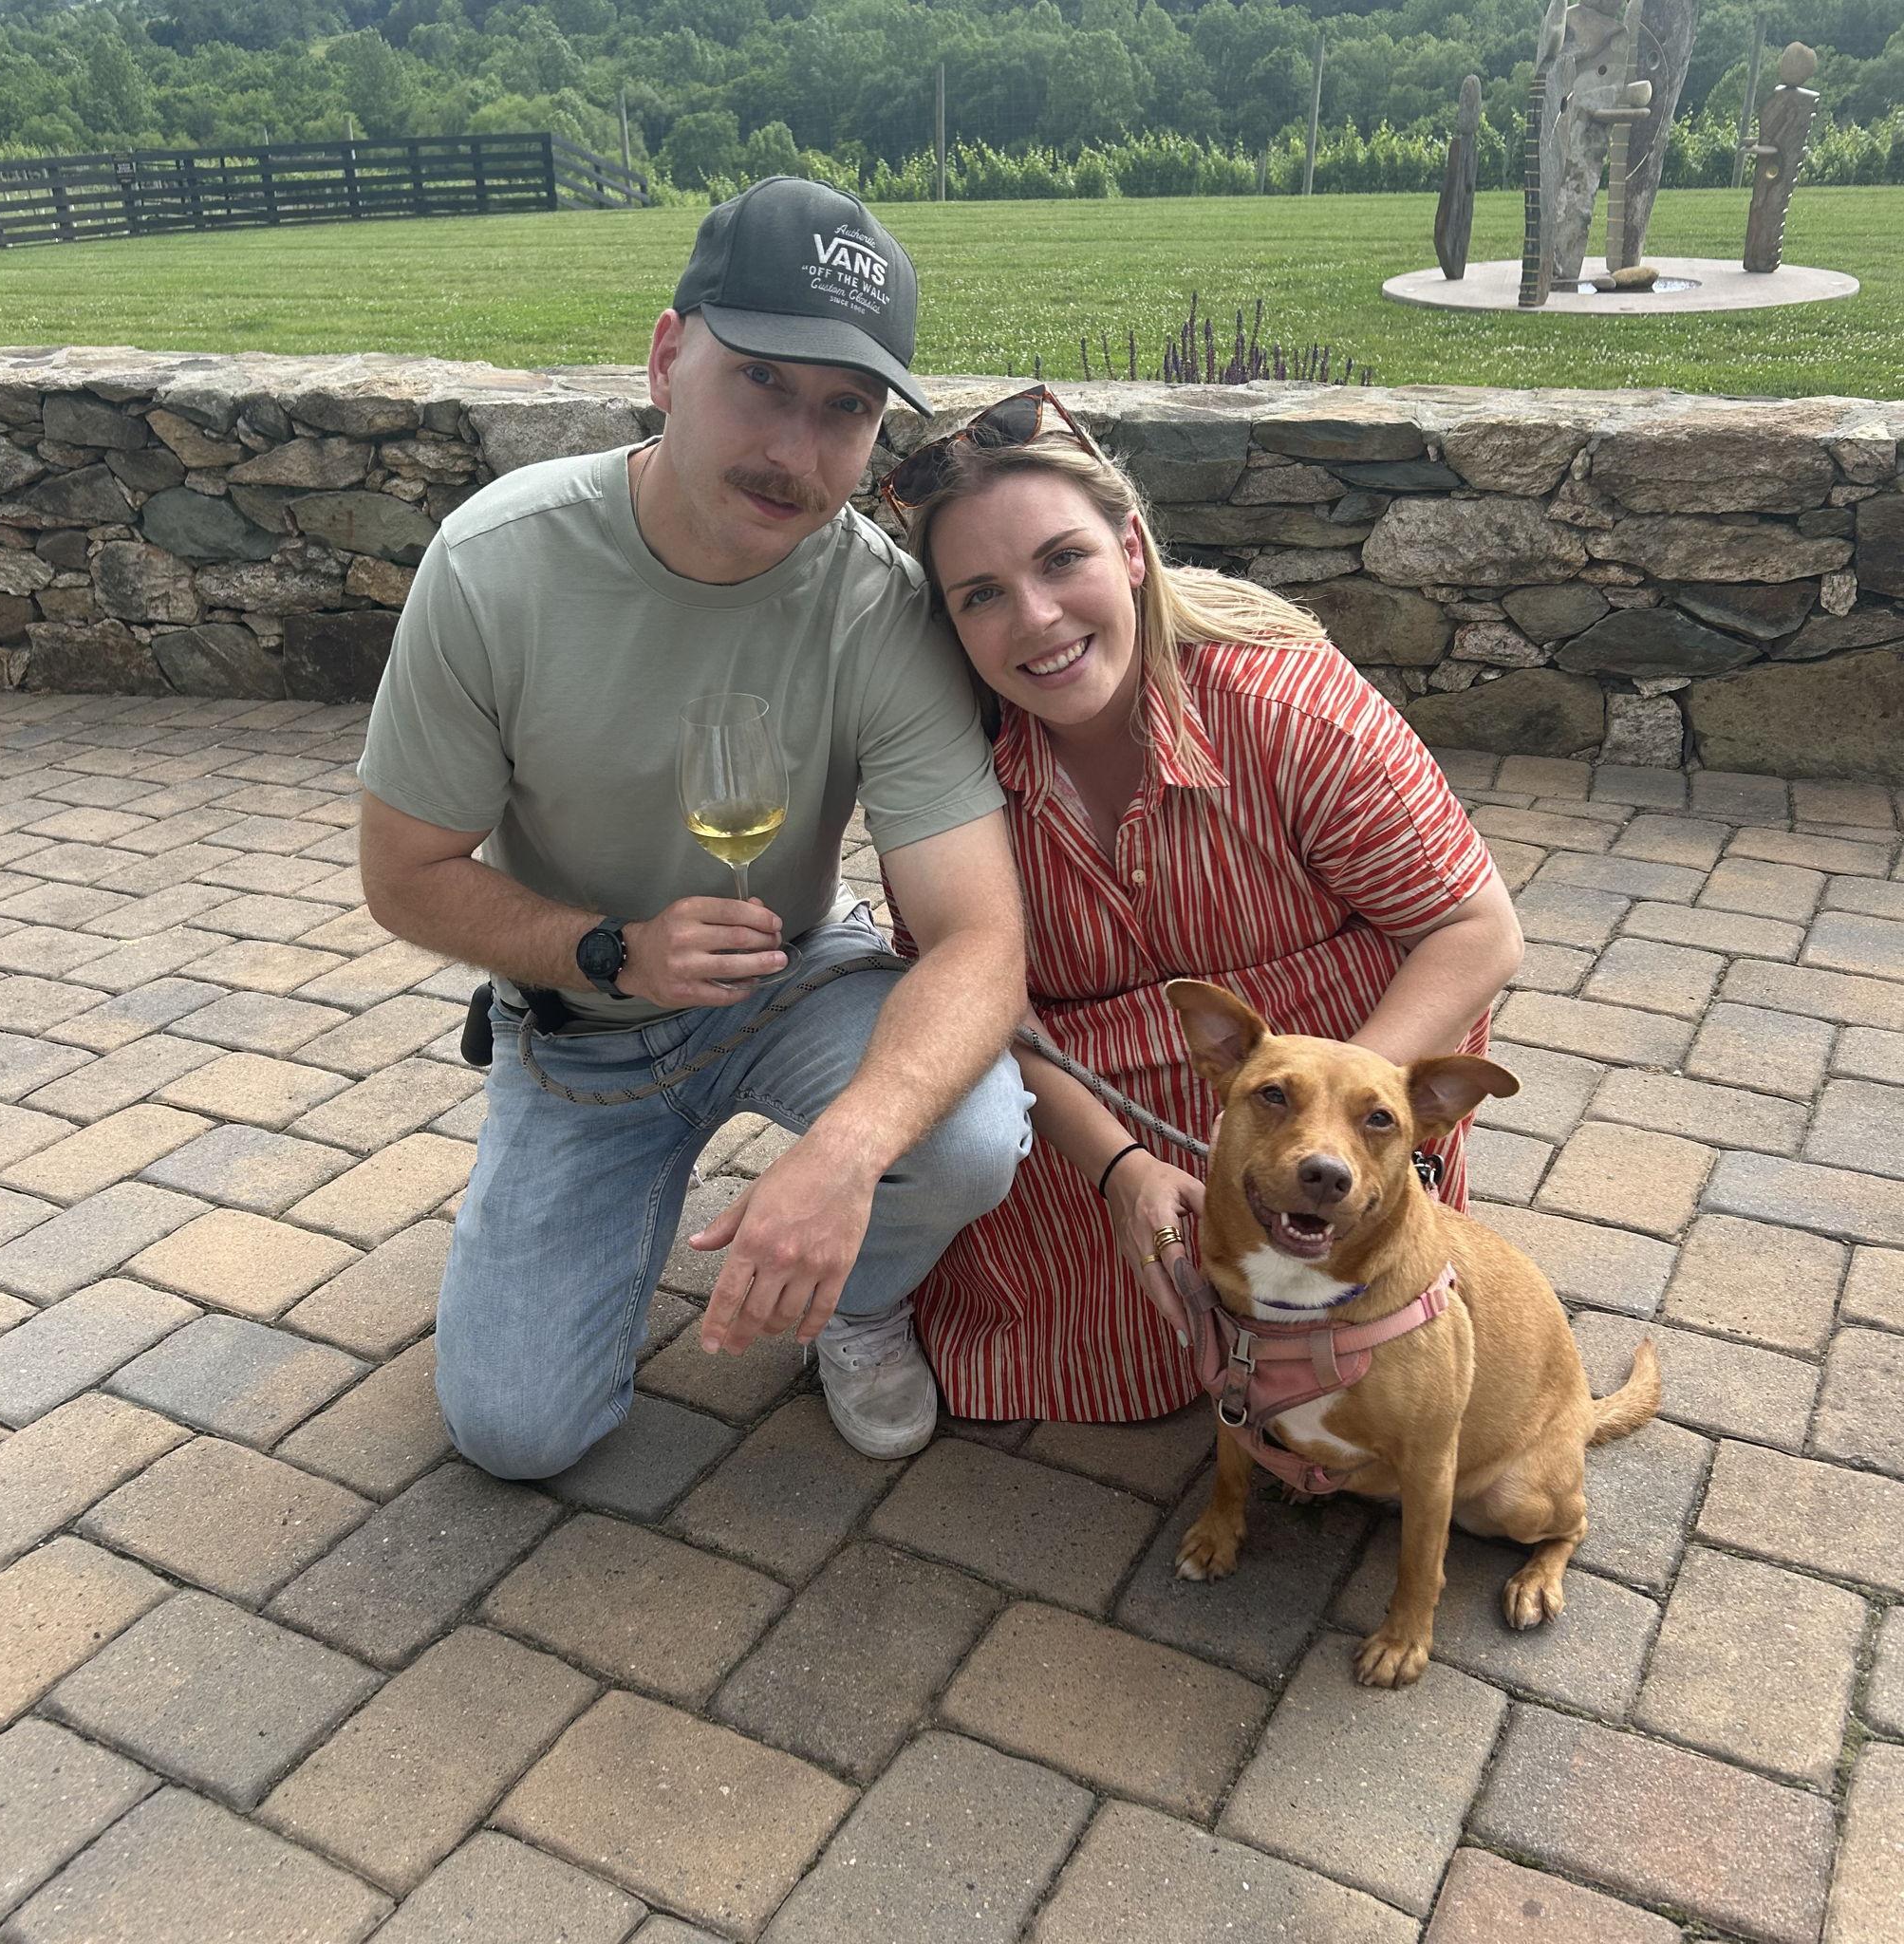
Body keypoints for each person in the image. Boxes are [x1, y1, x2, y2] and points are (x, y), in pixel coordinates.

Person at [355, 178, 1031, 1475]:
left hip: (786, 976)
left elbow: (982, 943)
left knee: (965, 1133)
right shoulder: (498, 565)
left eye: (846, 410)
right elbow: (404, 878)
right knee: (515, 1436)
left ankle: (860, 1300)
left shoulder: (876, 606)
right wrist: (611, 951)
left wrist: (844, 1153)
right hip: (581, 1018)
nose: (797, 447)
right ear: (669, 357)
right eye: (763, 381)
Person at [883, 388, 1523, 1422]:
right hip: (1090, 1100)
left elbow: (1475, 927)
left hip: (1332, 1059)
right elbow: (974, 1000)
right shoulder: (948, 762)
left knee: (1349, 1362)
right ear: (949, 623)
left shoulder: (1285, 707)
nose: (1037, 620)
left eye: (1061, 560)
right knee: (1067, 1350)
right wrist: (1125, 1169)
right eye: (981, 595)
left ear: (1130, 547)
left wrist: (1339, 1120)